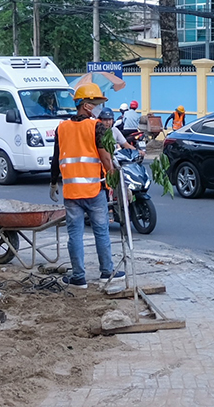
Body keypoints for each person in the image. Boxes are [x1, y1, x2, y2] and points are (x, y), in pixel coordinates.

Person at [50, 82, 124, 289]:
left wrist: (52, 182)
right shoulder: (96, 126)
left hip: (72, 192)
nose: (98, 107)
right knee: (101, 231)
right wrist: (113, 178)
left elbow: (56, 158)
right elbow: (106, 158)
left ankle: (79, 277)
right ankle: (107, 272)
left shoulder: (62, 128)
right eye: (95, 103)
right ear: (86, 105)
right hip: (94, 190)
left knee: (74, 234)